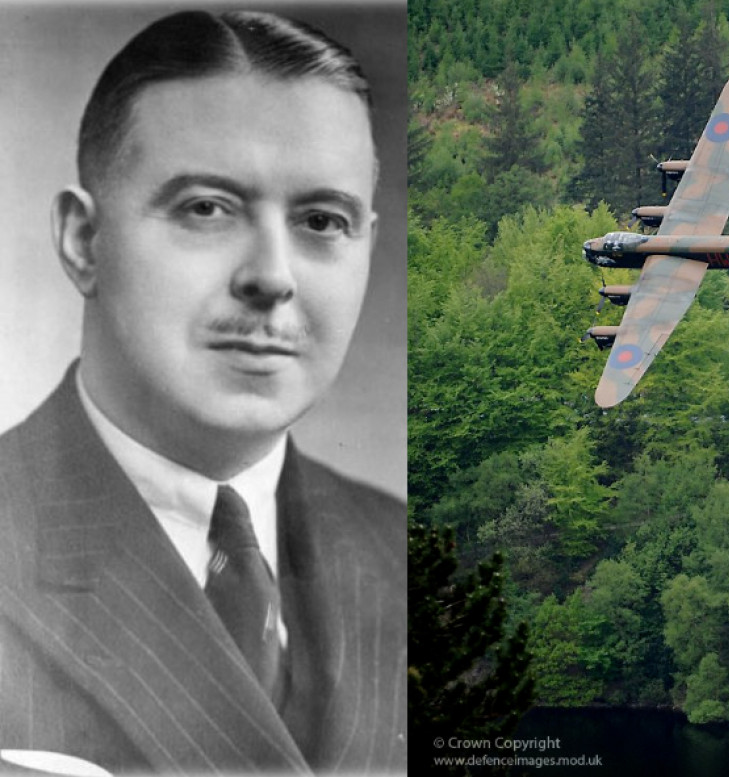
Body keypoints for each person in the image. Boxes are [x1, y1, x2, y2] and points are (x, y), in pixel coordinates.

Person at [0, 9, 405, 775]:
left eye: (322, 220)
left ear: (369, 249)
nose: (273, 276)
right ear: (84, 241)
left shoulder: (408, 555)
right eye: (206, 208)